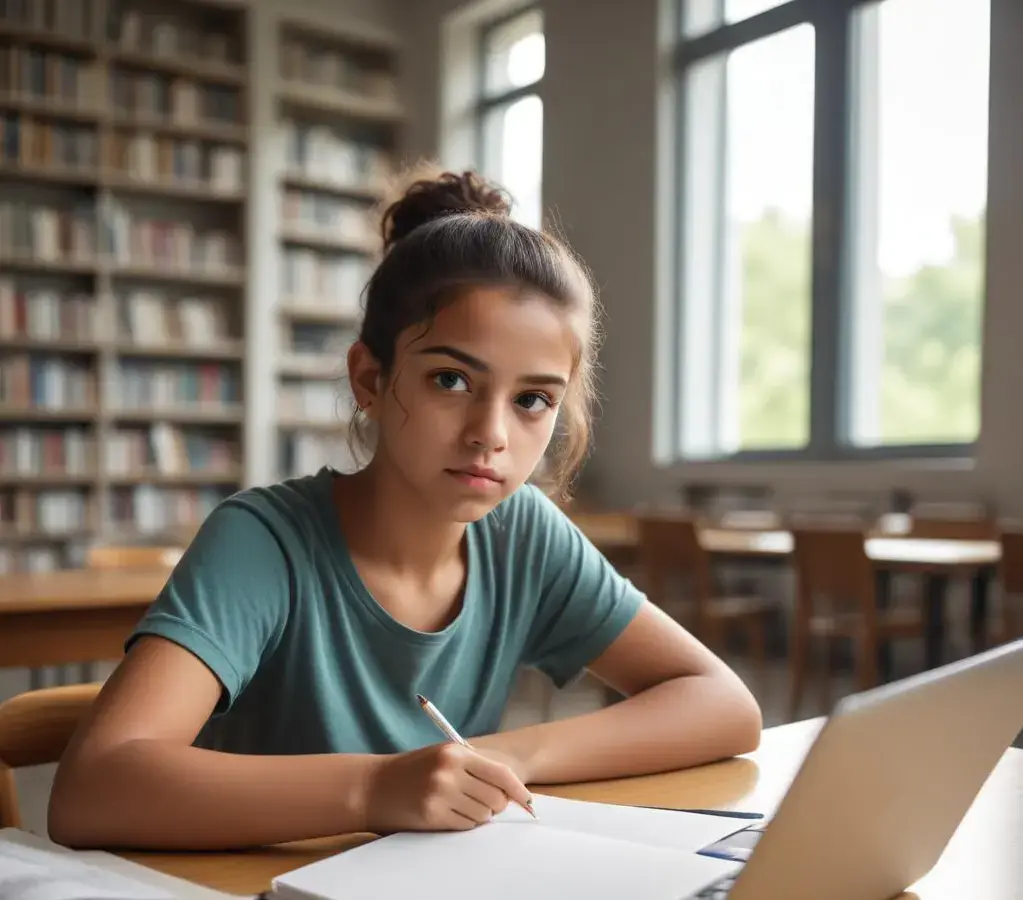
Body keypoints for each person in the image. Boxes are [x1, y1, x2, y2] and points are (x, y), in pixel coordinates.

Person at [49, 168, 761, 851]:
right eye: (451, 379)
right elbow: (90, 790)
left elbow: (723, 705)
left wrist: (505, 755)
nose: (491, 433)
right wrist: (373, 787)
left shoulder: (522, 532)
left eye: (533, 399)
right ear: (369, 377)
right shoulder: (263, 542)